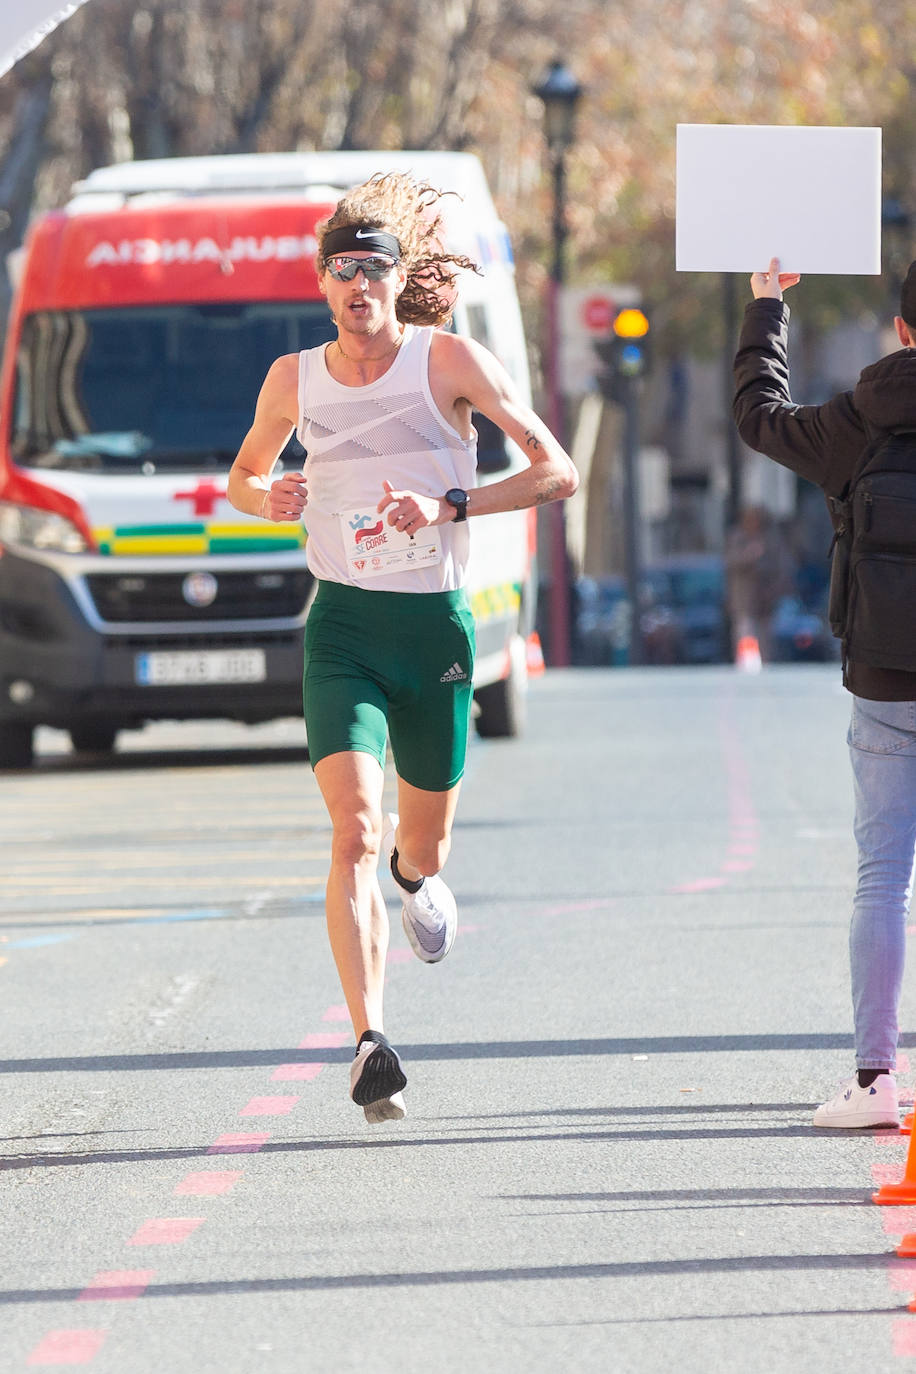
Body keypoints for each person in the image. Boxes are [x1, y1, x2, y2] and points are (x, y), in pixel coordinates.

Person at [227, 172, 578, 1124]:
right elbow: (244, 477)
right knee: (352, 827)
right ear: (323, 285)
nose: (355, 287)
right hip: (341, 626)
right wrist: (272, 499)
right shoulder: (292, 379)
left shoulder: (449, 363)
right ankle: (370, 1037)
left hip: (434, 629)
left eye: (370, 270)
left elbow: (558, 470)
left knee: (419, 843)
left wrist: (454, 501)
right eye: (338, 272)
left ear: (396, 278)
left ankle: (418, 882)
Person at [733, 255, 916, 1128]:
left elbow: (758, 417)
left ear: (903, 332)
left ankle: (876, 1080)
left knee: (883, 877)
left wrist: (768, 307)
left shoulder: (861, 420)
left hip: (884, 677)